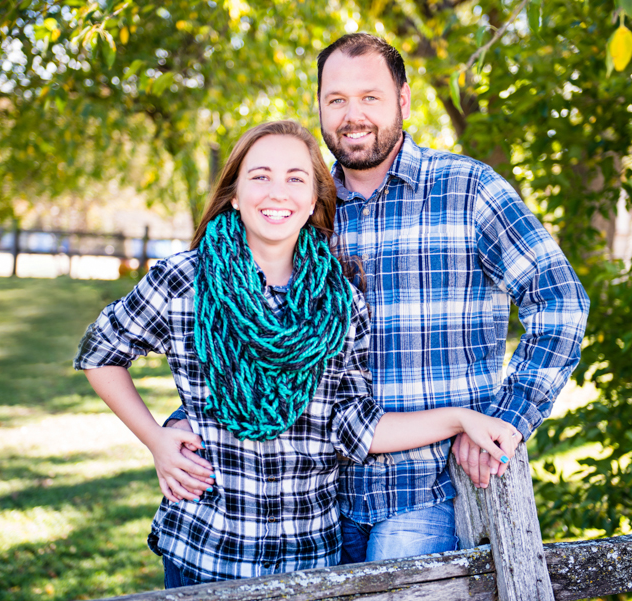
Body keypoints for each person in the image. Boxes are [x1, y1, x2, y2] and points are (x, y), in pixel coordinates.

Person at [166, 34, 590, 566]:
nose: (352, 115)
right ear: (319, 105)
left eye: (370, 97)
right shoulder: (300, 203)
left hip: (426, 491)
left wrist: (503, 421)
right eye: (336, 99)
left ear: (404, 100)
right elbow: (243, 323)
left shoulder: (468, 190)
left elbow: (561, 304)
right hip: (313, 500)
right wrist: (186, 419)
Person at [74, 120, 522, 587]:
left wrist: (458, 418)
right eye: (260, 176)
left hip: (309, 561)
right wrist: (156, 439)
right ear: (233, 193)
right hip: (205, 550)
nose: (277, 192)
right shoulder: (184, 280)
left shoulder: (341, 302)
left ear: (313, 201)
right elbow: (100, 352)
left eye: (295, 179)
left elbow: (351, 427)